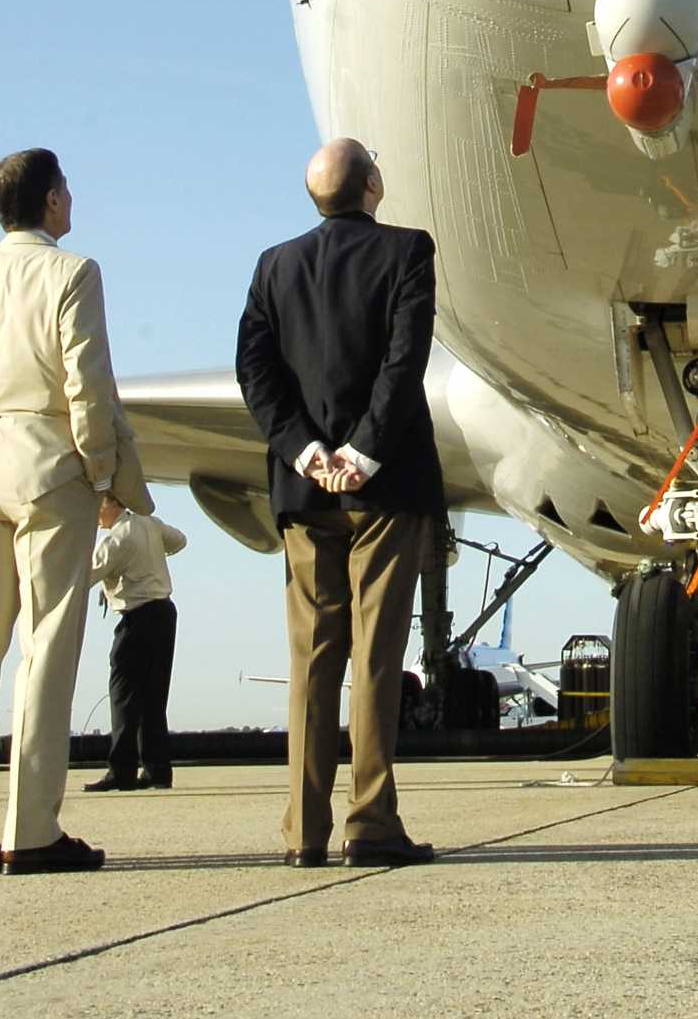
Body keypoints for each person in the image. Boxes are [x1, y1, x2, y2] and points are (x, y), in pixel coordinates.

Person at [0, 148, 151, 876]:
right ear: (51, 202)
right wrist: (101, 471)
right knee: (46, 644)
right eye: (67, 191)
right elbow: (88, 381)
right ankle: (34, 827)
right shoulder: (72, 272)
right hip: (52, 468)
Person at [236, 138, 443, 869]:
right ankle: (372, 821)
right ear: (374, 185)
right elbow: (404, 358)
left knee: (313, 660)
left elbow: (254, 370)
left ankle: (303, 830)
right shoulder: (409, 251)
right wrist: (363, 451)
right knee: (378, 657)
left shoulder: (274, 264)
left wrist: (305, 449)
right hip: (383, 489)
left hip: (305, 490)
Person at [83, 495, 186, 793]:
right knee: (155, 696)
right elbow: (179, 540)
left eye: (98, 505)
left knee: (124, 695)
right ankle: (157, 770)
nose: (96, 513)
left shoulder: (115, 540)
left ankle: (122, 770)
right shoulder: (148, 523)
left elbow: (85, 574)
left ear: (112, 503)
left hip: (137, 615)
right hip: (164, 611)